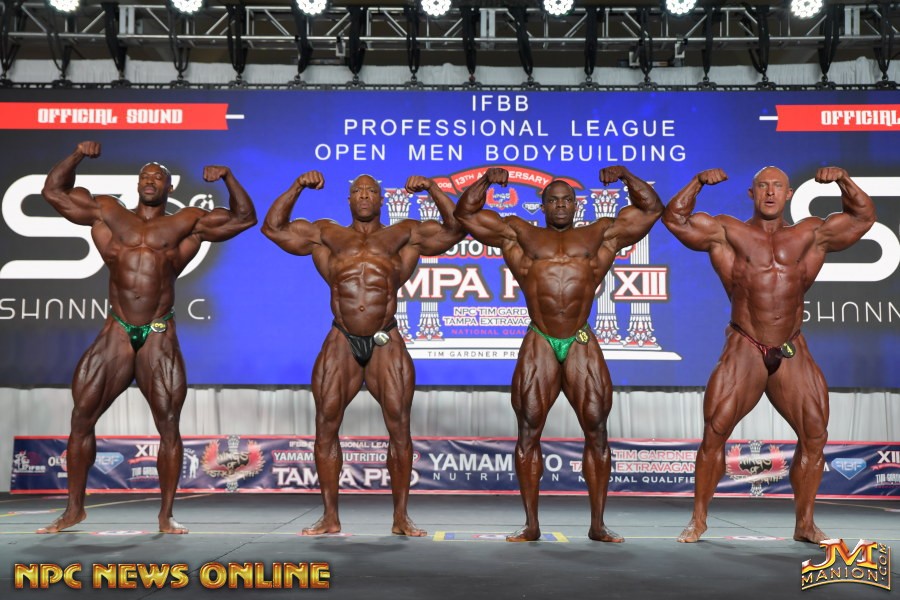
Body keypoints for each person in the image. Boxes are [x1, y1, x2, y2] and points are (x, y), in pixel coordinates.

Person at [38, 141, 257, 534]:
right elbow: (53, 192)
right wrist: (76, 155)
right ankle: (74, 509)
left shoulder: (187, 221)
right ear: (137, 184)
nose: (150, 180)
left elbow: (245, 218)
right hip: (117, 332)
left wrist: (227, 177)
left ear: (169, 187)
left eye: (158, 177)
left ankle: (166, 515)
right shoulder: (108, 213)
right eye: (145, 176)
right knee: (81, 417)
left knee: (169, 424)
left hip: (158, 333)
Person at [662, 166, 876, 543]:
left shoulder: (810, 234)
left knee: (815, 433)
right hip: (745, 343)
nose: (771, 193)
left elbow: (863, 218)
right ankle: (698, 519)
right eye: (763, 186)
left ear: (789, 194)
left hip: (790, 345)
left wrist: (843, 180)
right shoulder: (729, 232)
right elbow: (674, 219)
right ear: (752, 193)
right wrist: (696, 183)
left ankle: (805, 524)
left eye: (777, 187)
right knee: (715, 429)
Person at [454, 166, 664, 542]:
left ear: (576, 204)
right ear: (543, 205)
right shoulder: (520, 233)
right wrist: (485, 180)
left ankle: (598, 524)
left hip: (580, 338)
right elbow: (465, 214)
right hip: (540, 338)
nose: (561, 205)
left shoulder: (600, 234)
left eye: (567, 200)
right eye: (554, 200)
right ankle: (531, 524)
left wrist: (626, 176)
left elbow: (651, 210)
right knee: (529, 429)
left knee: (597, 428)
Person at [261, 171, 465, 536]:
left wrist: (433, 188)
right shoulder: (327, 234)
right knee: (325, 424)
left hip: (386, 338)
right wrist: (297, 186)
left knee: (399, 427)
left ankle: (401, 518)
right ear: (350, 199)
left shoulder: (404, 234)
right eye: (359, 191)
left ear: (382, 199)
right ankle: (330, 517)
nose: (366, 196)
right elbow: (273, 228)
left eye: (372, 191)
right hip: (342, 338)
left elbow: (455, 229)